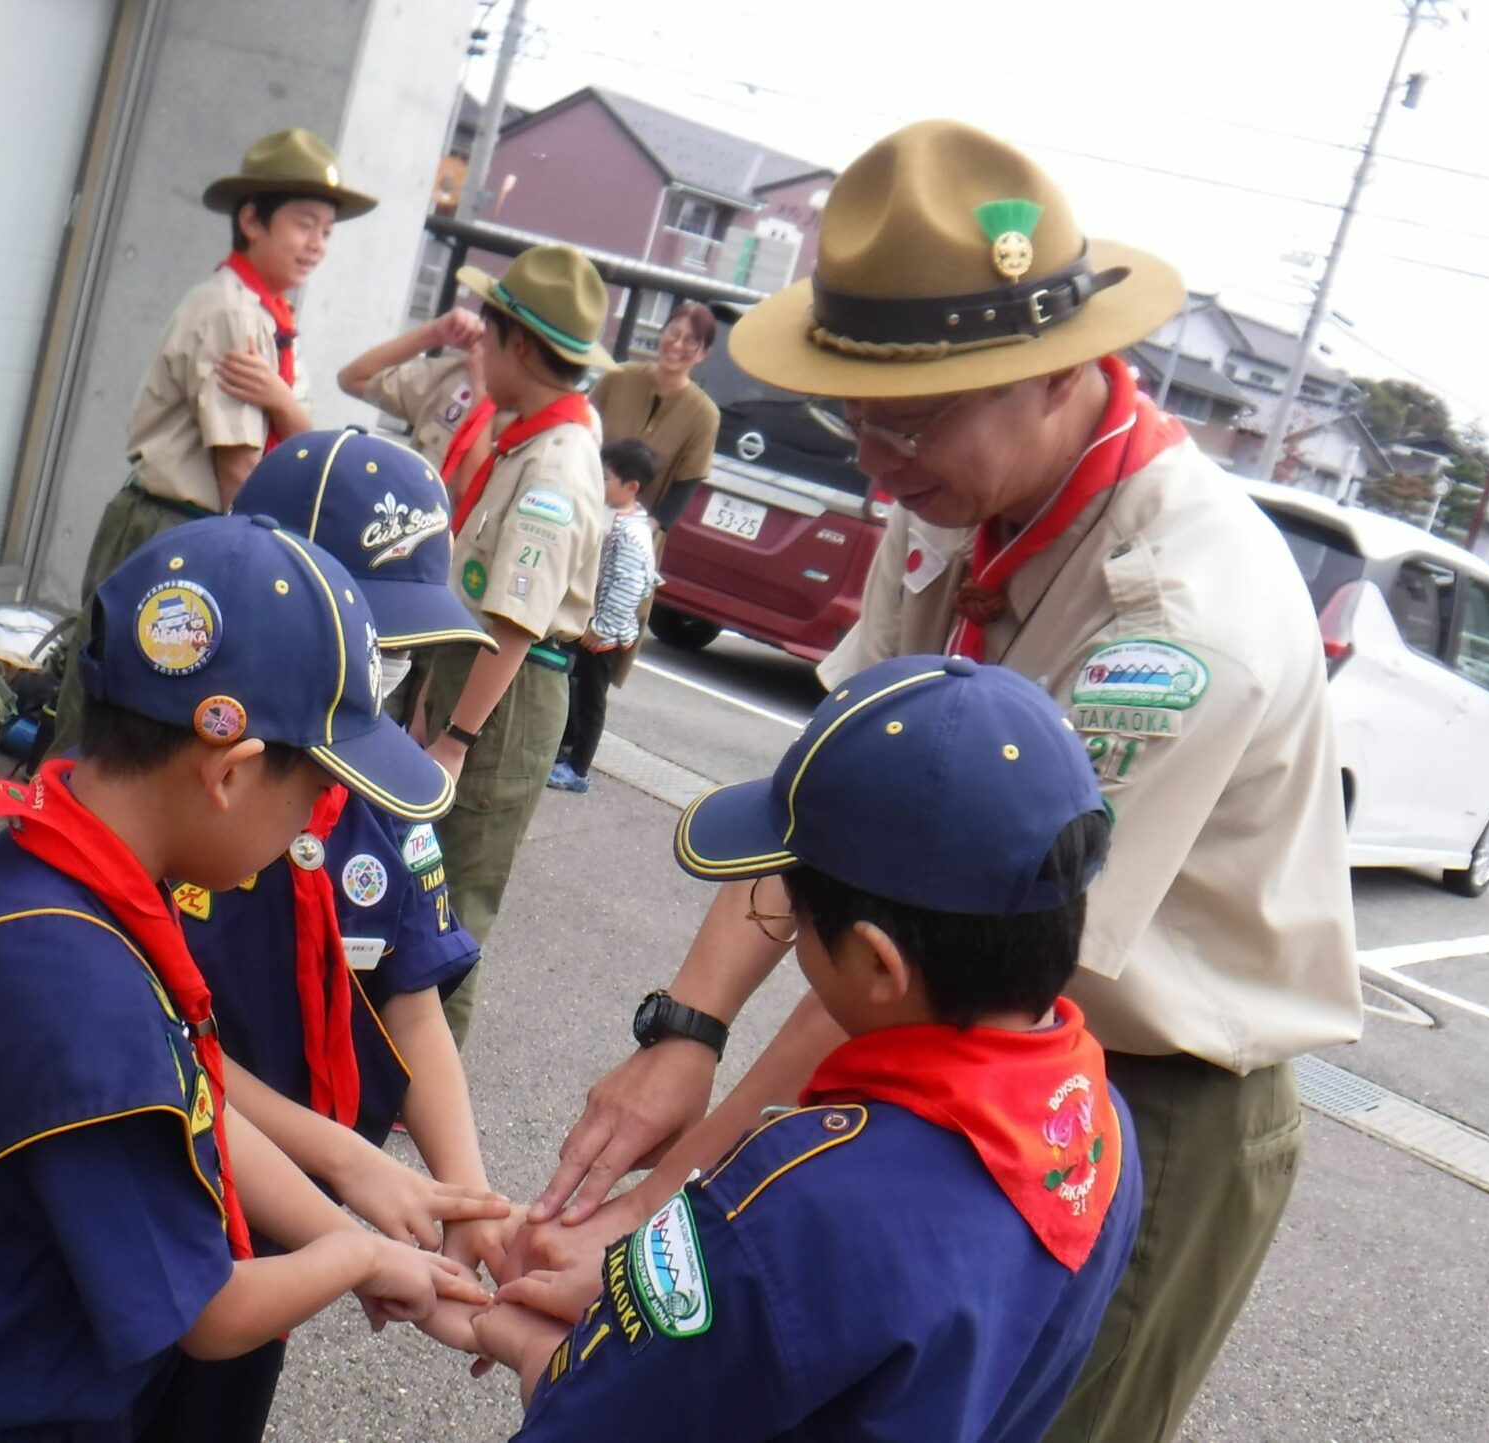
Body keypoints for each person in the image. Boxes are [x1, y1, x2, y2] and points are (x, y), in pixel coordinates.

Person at [515, 120, 1362, 1443]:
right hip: (926, 1027)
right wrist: (682, 1029)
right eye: (856, 415)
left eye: (910, 423)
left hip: (1128, 1089)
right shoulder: (952, 489)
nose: (876, 461)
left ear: (1063, 370)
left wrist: (665, 1211)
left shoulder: (1182, 620)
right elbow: (841, 808)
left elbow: (936, 930)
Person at [0, 516, 489, 1443]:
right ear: (231, 773)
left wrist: (349, 1189)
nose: (307, 829)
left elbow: (193, 1092)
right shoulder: (86, 1002)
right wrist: (356, 1259)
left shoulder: (52, 873)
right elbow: (211, 1312)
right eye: (312, 790)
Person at [474, 653, 1139, 1442]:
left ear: (877, 962)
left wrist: (524, 1339)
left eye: (789, 902)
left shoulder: (797, 1206)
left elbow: (595, 1414)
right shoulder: (1099, 1127)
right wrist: (637, 1284)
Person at [189, 428, 517, 1304]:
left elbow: (412, 1001)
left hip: (293, 1224)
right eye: (371, 633)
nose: (387, 668)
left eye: (407, 645)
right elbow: (159, 1050)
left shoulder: (385, 797)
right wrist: (351, 1186)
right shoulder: (183, 796)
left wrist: (465, 1196)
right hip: (164, 1173)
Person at [54, 128, 376, 747]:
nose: (317, 245)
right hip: (175, 526)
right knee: (112, 711)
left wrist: (282, 402)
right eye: (305, 225)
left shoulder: (267, 314)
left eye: (328, 232)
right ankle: (55, 836)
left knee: (152, 714)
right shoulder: (232, 313)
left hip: (203, 528)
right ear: (252, 219)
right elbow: (240, 471)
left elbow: (301, 442)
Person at [403, 244, 614, 1044]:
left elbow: (517, 620)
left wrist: (456, 738)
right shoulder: (527, 438)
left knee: (454, 895)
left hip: (505, 690)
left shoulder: (557, 465)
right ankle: (387, 1067)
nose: (479, 353)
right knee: (418, 877)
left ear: (520, 345)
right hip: (468, 671)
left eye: (489, 338)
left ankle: (426, 1096)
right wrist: (428, 708)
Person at [548, 439, 659, 795]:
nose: (600, 482)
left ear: (631, 487)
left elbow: (632, 585)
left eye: (606, 477)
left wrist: (604, 627)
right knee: (574, 687)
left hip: (604, 635)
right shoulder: (620, 519)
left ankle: (578, 769)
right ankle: (566, 751)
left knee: (591, 700)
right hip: (594, 627)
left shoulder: (631, 532)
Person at [586, 302, 720, 526]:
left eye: (691, 341)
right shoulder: (618, 376)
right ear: (662, 333)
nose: (677, 345)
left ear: (703, 353)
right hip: (584, 511)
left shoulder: (705, 414)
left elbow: (686, 483)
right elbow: (582, 428)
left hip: (638, 533)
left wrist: (649, 528)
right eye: (673, 333)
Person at [338, 307, 491, 484]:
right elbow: (353, 378)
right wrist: (435, 333)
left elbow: (469, 493)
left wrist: (483, 393)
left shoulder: (528, 438)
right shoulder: (462, 375)